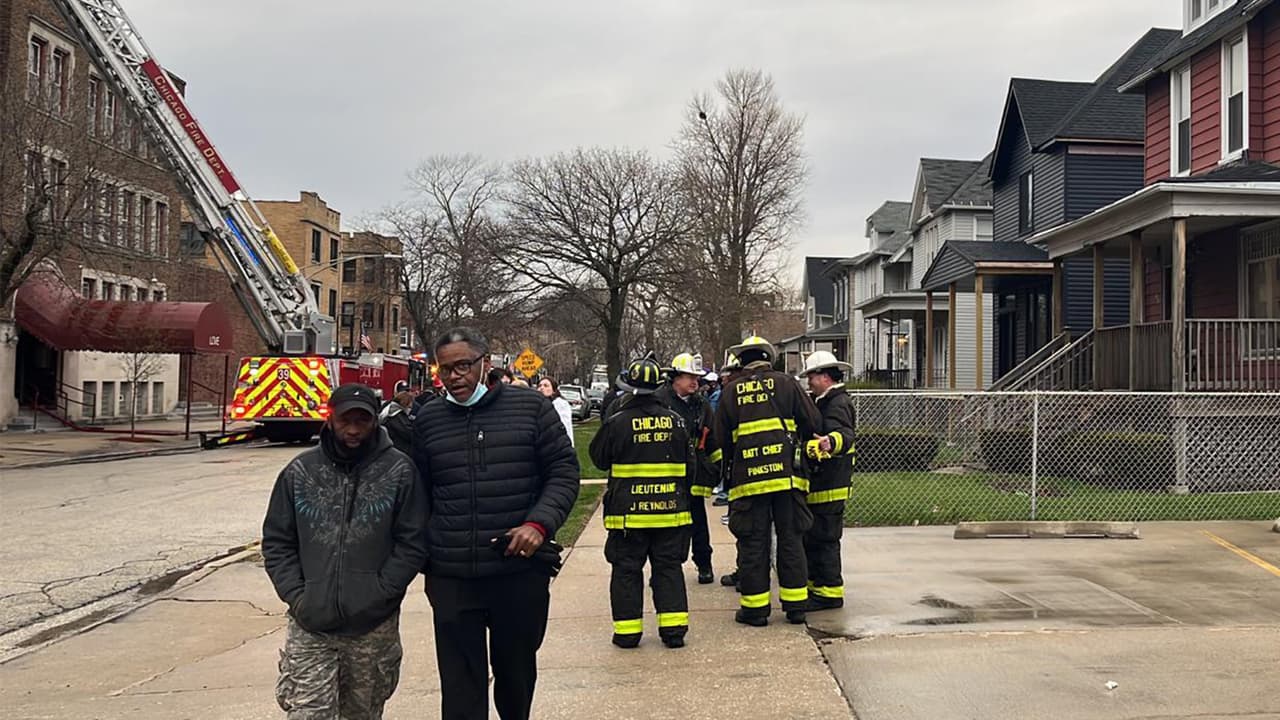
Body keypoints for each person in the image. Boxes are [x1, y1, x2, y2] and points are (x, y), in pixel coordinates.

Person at [412, 328, 580, 720]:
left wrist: (539, 525)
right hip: (453, 575)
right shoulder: (429, 419)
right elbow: (418, 490)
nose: (455, 377)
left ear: (486, 363)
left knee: (515, 674)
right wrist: (425, 550)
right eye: (446, 369)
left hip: (517, 572)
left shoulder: (531, 409)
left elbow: (563, 473)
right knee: (459, 684)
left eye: (464, 366)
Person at [262, 383, 427, 719]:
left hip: (371, 627)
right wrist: (297, 595)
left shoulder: (399, 471)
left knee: (362, 714)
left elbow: (412, 542)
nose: (353, 430)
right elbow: (277, 541)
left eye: (362, 422)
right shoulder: (299, 472)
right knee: (308, 713)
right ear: (330, 418)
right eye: (345, 420)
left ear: (374, 422)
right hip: (311, 625)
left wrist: (382, 592)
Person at [715, 335, 822, 627]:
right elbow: (812, 423)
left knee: (753, 542)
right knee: (791, 539)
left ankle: (755, 610)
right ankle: (796, 606)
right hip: (787, 480)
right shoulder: (787, 384)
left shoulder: (731, 391)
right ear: (769, 358)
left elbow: (719, 438)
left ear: (743, 362)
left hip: (748, 481)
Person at [589, 353, 694, 649]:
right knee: (669, 569)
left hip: (628, 515)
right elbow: (692, 468)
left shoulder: (616, 421)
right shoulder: (676, 422)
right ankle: (673, 632)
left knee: (626, 570)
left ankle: (627, 633)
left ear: (627, 387)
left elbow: (598, 459)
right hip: (671, 513)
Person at [655, 352, 720, 585]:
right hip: (668, 471)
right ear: (675, 378)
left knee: (698, 522)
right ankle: (665, 569)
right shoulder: (659, 401)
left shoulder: (701, 404)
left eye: (697, 378)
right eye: (689, 377)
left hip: (695, 472)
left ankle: (704, 564)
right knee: (668, 526)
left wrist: (715, 468)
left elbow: (712, 439)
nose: (695, 382)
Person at [800, 351, 857, 612]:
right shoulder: (823, 400)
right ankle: (816, 586)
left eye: (811, 376)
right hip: (822, 484)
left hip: (830, 485)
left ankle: (829, 593)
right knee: (815, 537)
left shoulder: (837, 402)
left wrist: (829, 442)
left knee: (825, 539)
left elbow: (844, 433)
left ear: (824, 376)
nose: (808, 381)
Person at [538, 376, 576, 447]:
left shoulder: (560, 404)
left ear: (554, 390)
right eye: (540, 386)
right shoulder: (538, 404)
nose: (542, 388)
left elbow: (563, 426)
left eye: (546, 386)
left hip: (559, 444)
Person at [380, 390, 416, 456]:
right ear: (405, 403)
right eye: (410, 404)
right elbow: (408, 433)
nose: (411, 407)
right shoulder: (397, 415)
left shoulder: (389, 409)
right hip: (399, 449)